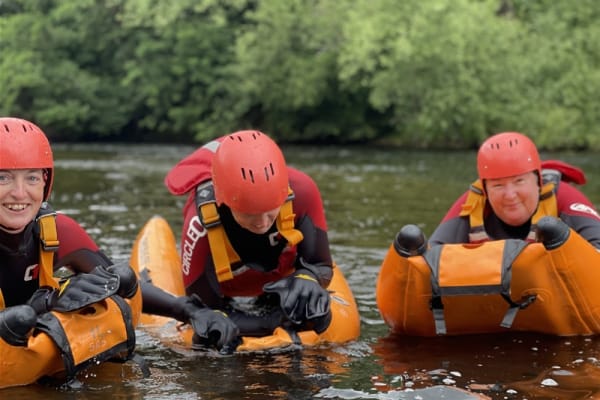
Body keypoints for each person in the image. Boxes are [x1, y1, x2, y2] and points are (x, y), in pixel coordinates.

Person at [141, 130, 333, 350]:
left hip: (280, 273)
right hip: (224, 286)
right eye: (248, 213)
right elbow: (206, 311)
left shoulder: (303, 191)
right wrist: (273, 322)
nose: (262, 223)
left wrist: (308, 278)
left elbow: (321, 265)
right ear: (223, 200)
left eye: (271, 212)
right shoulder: (200, 222)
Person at [0, 117, 138, 347]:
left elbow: (113, 276)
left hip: (27, 331)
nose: (20, 193)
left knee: (122, 277)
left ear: (45, 182)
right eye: (2, 178)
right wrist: (44, 304)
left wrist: (186, 309)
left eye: (32, 178)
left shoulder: (57, 230)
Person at [427, 131, 600, 248]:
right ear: (485, 189)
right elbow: (430, 256)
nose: (510, 195)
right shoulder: (473, 204)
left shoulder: (564, 197)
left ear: (538, 181)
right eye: (498, 185)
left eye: (519, 181)